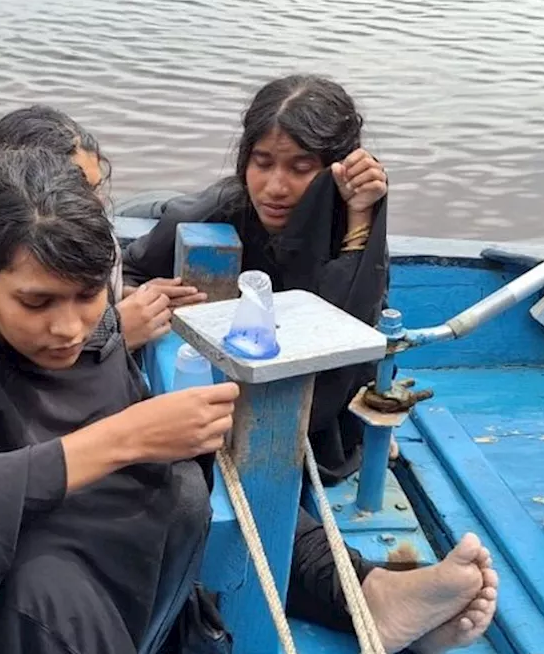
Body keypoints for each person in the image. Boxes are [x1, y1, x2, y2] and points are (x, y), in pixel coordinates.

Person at [0, 147, 499, 654]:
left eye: (87, 295)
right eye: (37, 301)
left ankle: (368, 595)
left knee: (213, 493)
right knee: (49, 592)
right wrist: (125, 439)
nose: (69, 326)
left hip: (119, 616)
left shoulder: (95, 341)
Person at [123, 74, 393, 485]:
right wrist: (142, 301)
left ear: (334, 171)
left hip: (319, 418)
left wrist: (360, 218)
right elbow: (131, 270)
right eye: (262, 163)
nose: (275, 188)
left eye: (301, 168)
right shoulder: (216, 212)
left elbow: (349, 338)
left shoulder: (349, 229)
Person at [0, 105, 207, 351]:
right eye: (77, 187)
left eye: (96, 188)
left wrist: (133, 296)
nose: (95, 203)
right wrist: (116, 332)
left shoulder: (101, 238)